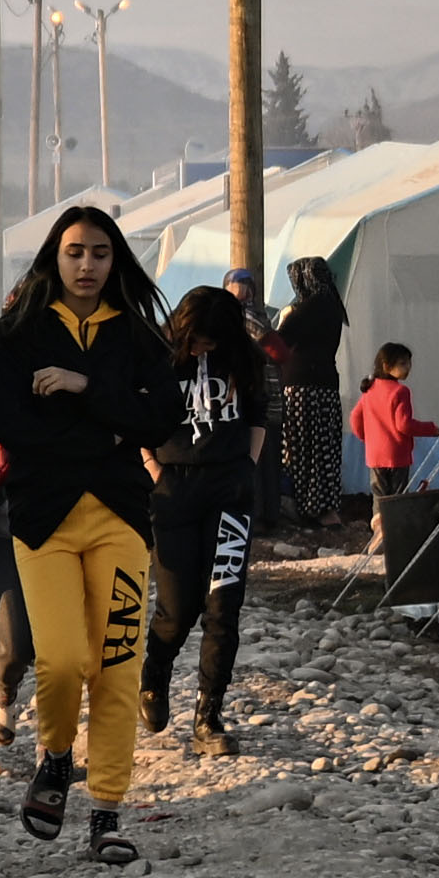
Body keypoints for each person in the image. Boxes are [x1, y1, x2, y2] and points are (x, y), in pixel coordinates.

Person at [0, 203, 186, 866]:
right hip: (44, 521)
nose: (88, 265)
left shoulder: (141, 338)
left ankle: (106, 812)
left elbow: (160, 420)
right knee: (65, 661)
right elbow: (15, 426)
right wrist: (109, 424)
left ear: (115, 258)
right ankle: (57, 755)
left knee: (118, 668)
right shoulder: (18, 333)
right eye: (75, 252)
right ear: (54, 256)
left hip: (122, 519)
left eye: (100, 253)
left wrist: (81, 386)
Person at [143, 281, 274, 754]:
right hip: (173, 487)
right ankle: (153, 675)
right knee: (177, 609)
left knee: (223, 606)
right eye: (199, 339)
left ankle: (208, 716)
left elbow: (259, 412)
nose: (205, 348)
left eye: (213, 341)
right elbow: (138, 415)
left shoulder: (247, 358)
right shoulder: (157, 354)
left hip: (230, 491)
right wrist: (153, 469)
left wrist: (247, 467)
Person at [273, 254, 352, 529]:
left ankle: (305, 505)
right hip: (326, 385)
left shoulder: (310, 307)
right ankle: (325, 507)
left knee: (300, 446)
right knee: (324, 447)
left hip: (302, 387)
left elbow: (280, 339)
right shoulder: (332, 305)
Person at [352, 340, 425, 500]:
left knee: (379, 498)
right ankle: (396, 525)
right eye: (403, 363)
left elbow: (355, 418)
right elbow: (404, 425)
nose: (408, 368)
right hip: (397, 454)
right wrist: (431, 429)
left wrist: (368, 439)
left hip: (375, 454)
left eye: (409, 363)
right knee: (398, 498)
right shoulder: (400, 391)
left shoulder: (369, 390)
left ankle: (379, 524)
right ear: (386, 366)